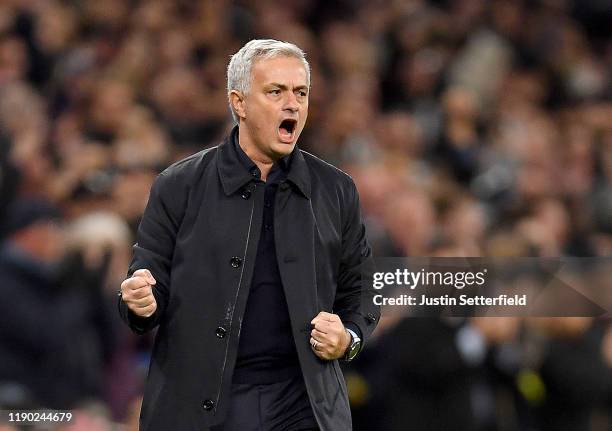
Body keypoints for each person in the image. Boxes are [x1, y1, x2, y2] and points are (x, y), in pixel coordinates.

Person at [118, 39, 380, 431]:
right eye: (276, 92)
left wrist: (348, 338)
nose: (292, 104)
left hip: (303, 404)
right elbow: (146, 283)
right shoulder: (179, 185)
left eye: (301, 92)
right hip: (203, 404)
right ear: (238, 103)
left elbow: (361, 288)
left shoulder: (336, 190)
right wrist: (140, 300)